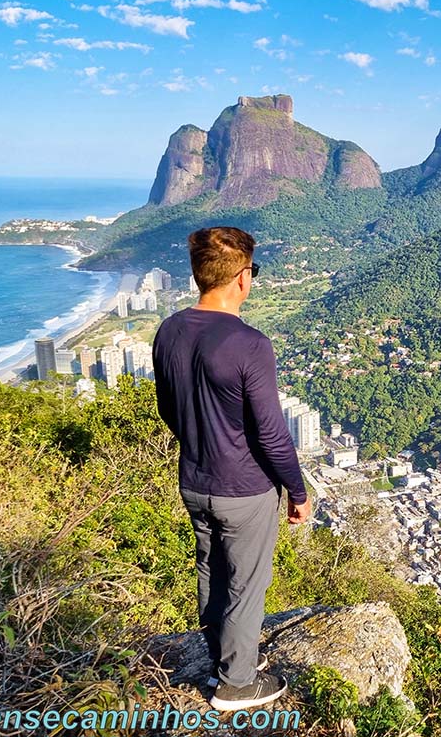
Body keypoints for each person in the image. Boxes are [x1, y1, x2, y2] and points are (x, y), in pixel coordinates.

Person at [151, 226, 311, 711]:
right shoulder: (249, 344)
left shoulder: (169, 330)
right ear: (242, 278)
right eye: (253, 271)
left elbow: (167, 407)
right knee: (247, 583)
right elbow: (271, 433)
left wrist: (201, 444)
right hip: (244, 489)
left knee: (211, 571)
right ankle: (237, 684)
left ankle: (228, 654)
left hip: (194, 480)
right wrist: (298, 493)